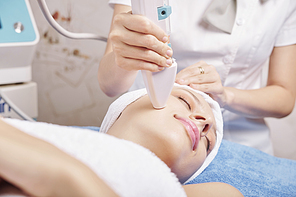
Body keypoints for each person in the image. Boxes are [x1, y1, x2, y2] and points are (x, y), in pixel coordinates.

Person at [98, 0, 296, 155]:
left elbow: (284, 97)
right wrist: (124, 55)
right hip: (150, 129)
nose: (203, 121)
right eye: (184, 100)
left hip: (243, 140)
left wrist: (225, 96)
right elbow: (109, 85)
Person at [0, 85, 243, 197]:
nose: (204, 123)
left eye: (208, 144)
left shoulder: (204, 192)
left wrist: (69, 178)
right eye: (186, 101)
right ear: (124, 107)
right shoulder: (49, 137)